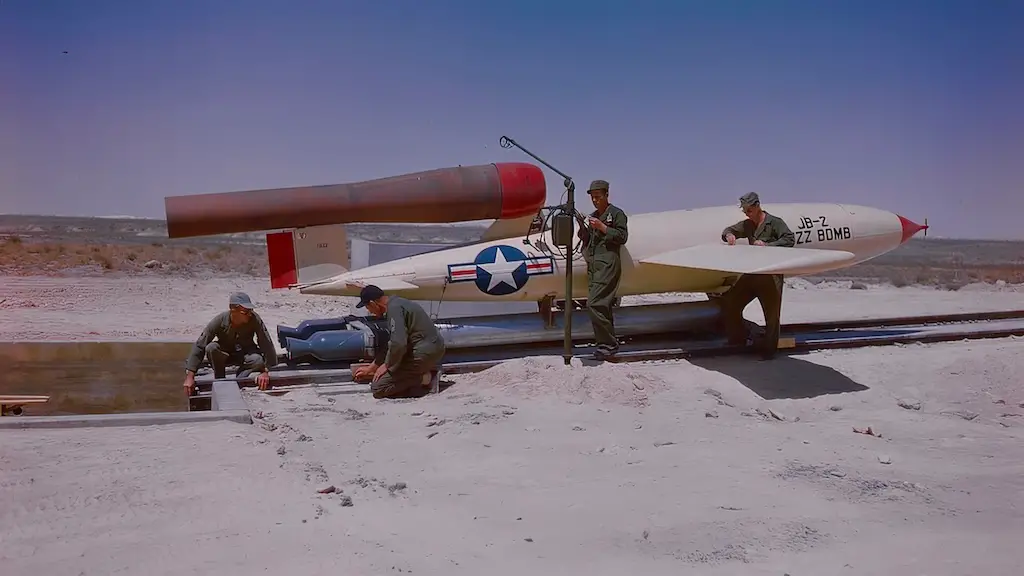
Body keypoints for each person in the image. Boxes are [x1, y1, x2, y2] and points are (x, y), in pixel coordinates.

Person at [718, 192, 795, 359]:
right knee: (731, 303)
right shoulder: (748, 225)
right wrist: (729, 235)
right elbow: (729, 230)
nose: (747, 214)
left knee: (772, 316)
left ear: (758, 206)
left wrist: (768, 245)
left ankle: (768, 352)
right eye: (745, 211)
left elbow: (789, 239)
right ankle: (738, 340)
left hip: (770, 276)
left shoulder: (775, 223)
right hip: (752, 273)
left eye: (749, 210)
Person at [351, 285, 446, 399]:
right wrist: (372, 368)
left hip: (423, 352)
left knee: (379, 388)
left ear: (373, 303)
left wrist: (387, 365)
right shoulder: (397, 303)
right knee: (387, 373)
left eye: (368, 307)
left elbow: (398, 344)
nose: (369, 311)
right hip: (431, 348)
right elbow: (392, 344)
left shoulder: (394, 309)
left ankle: (427, 378)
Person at [182, 292, 278, 395]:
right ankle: (220, 378)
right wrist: (190, 376)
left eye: (251, 310)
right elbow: (200, 345)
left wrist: (265, 371)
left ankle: (240, 379)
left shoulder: (254, 319)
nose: (249, 314)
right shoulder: (220, 320)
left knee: (257, 359)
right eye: (245, 312)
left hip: (245, 353)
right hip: (225, 354)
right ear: (233, 310)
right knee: (211, 348)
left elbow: (266, 343)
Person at [580, 179, 629, 360]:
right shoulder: (593, 215)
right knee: (603, 306)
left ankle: (607, 344)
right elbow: (587, 241)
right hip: (594, 266)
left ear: (607, 195)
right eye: (593, 198)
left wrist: (602, 227)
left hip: (608, 264)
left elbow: (622, 236)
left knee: (594, 304)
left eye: (598, 197)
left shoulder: (616, 214)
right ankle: (606, 345)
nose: (595, 201)